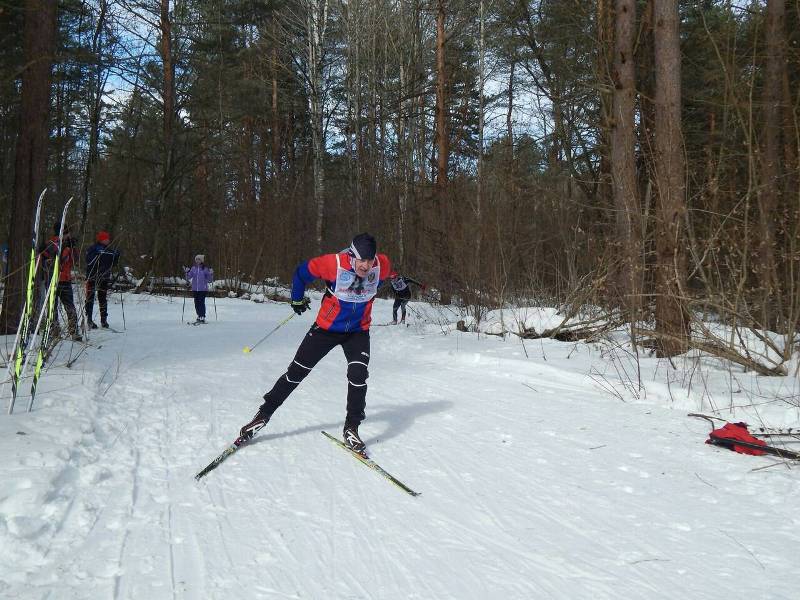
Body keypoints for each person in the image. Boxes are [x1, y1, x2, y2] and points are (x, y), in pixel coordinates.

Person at [239, 233, 392, 455]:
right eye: (361, 260)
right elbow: (301, 273)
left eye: (370, 260)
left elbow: (390, 270)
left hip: (358, 331)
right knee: (295, 373)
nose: (366, 266)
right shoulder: (332, 264)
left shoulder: (382, 265)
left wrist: (398, 279)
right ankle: (262, 415)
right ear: (351, 256)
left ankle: (352, 427)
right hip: (326, 330)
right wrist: (297, 298)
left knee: (358, 375)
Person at [40, 222, 80, 341]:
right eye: (67, 232)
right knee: (60, 306)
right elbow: (51, 260)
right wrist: (66, 247)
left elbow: (75, 261)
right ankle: (62, 331)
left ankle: (62, 331)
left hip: (63, 279)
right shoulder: (51, 244)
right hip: (55, 279)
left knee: (60, 306)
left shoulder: (67, 244)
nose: (68, 235)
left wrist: (72, 247)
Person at [85, 230, 120, 329]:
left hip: (104, 277)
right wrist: (99, 254)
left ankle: (104, 320)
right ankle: (89, 320)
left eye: (108, 239)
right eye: (106, 239)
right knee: (90, 299)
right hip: (92, 277)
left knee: (102, 298)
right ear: (102, 239)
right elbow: (89, 261)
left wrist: (116, 255)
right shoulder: (93, 248)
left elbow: (113, 263)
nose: (108, 240)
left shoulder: (109, 250)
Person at [184, 255, 213, 324]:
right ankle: (199, 315)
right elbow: (188, 278)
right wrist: (187, 272)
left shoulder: (205, 269)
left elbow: (210, 280)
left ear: (202, 261)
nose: (197, 261)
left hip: (203, 289)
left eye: (199, 259)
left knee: (201, 303)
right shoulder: (193, 268)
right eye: (196, 259)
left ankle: (202, 316)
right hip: (195, 289)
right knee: (196, 303)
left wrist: (211, 274)